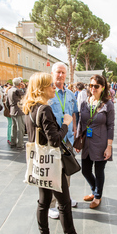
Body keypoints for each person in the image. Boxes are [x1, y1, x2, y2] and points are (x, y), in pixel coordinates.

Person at [22, 72, 95, 234]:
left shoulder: (30, 108)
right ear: (42, 88)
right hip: (52, 163)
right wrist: (66, 124)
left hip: (39, 162)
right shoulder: (44, 109)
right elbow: (54, 140)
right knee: (63, 203)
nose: (54, 87)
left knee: (43, 201)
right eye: (51, 85)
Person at [76, 75, 114, 209]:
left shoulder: (108, 104)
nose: (93, 88)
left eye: (96, 86)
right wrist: (78, 140)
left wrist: (109, 147)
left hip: (101, 143)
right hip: (86, 142)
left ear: (103, 87)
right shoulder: (84, 103)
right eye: (90, 85)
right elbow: (81, 123)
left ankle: (97, 196)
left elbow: (110, 126)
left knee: (99, 171)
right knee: (85, 171)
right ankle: (94, 190)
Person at [48, 62, 78, 219]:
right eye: (58, 72)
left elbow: (73, 114)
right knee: (54, 172)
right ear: (52, 73)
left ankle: (65, 198)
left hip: (68, 139)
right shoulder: (48, 93)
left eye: (63, 73)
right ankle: (52, 204)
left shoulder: (71, 94)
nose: (60, 75)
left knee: (68, 170)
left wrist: (75, 130)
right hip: (54, 140)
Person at [7, 77, 25, 150]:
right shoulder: (17, 90)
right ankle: (20, 144)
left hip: (12, 110)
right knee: (20, 128)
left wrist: (10, 109)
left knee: (13, 128)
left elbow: (6, 102)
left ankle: (13, 142)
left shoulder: (9, 90)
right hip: (18, 110)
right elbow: (24, 96)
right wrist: (23, 88)